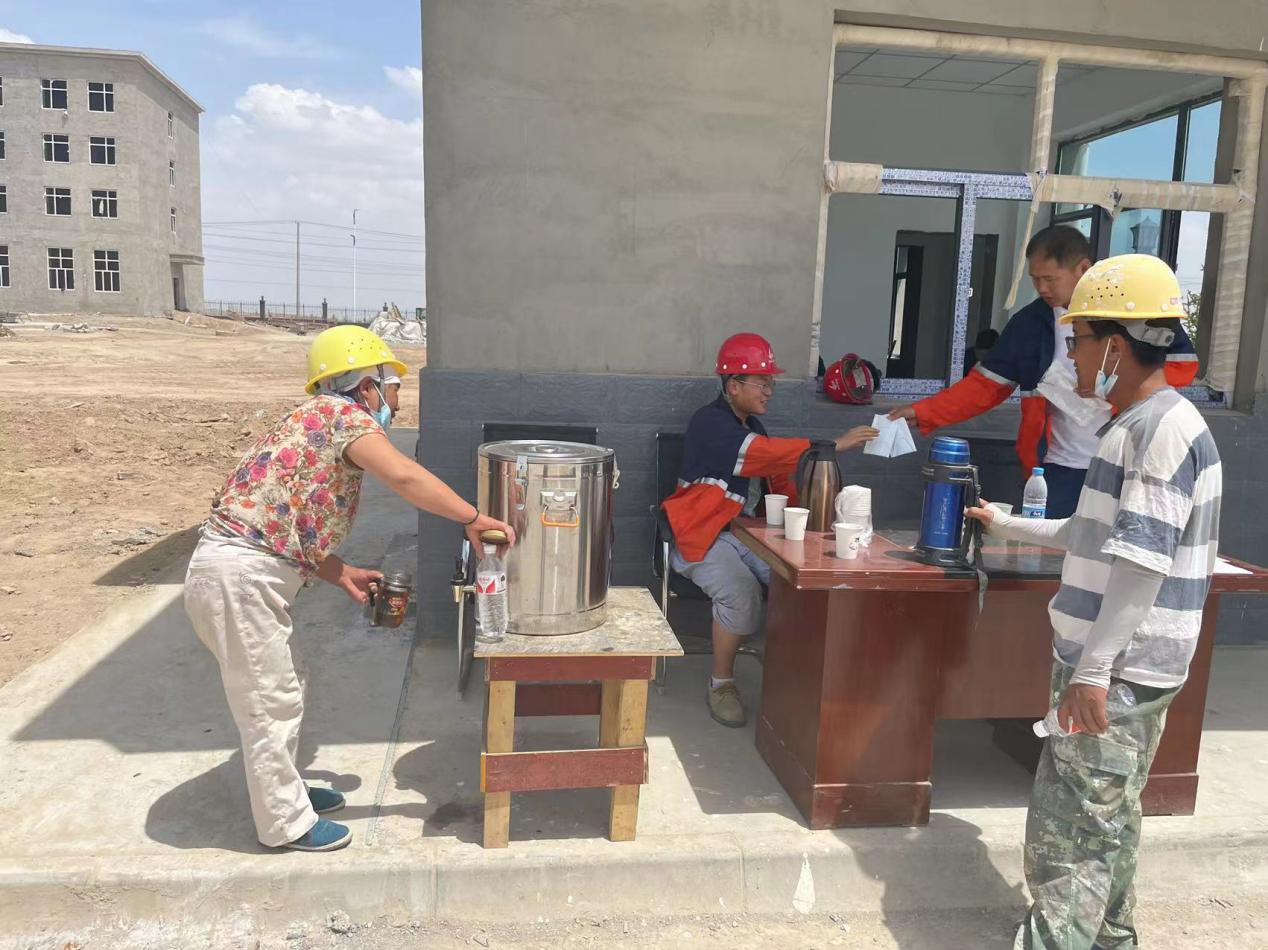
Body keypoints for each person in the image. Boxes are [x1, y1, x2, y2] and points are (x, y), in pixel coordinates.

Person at [964, 255, 1222, 950]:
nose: (1070, 356)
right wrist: (1007, 524)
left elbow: (1140, 563)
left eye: (1076, 340)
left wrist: (1093, 671)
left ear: (1115, 346)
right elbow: (1095, 534)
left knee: (1070, 836)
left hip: (1117, 673)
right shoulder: (1142, 424)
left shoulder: (1157, 432)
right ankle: (1112, 939)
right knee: (1108, 819)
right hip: (1123, 670)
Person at [183, 326, 515, 852]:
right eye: (393, 389)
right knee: (270, 701)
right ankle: (285, 823)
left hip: (242, 572)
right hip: (239, 578)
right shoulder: (344, 418)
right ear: (366, 386)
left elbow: (289, 520)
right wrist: (472, 518)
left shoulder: (309, 421)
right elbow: (405, 477)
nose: (397, 404)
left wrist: (341, 572)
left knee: (288, 684)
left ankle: (287, 792)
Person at [889, 226, 1199, 517]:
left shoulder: (1130, 310)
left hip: (1125, 462)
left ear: (1083, 268)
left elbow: (1183, 367)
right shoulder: (1029, 324)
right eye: (1035, 280)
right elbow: (984, 386)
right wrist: (923, 412)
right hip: (1055, 469)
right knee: (1046, 550)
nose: (1042, 288)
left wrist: (1111, 386)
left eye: (1050, 279)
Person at [661, 332, 877, 727]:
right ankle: (721, 683)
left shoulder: (753, 425)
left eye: (770, 383)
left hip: (747, 535)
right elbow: (762, 455)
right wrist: (830, 445)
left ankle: (796, 679)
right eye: (762, 382)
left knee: (797, 582)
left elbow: (777, 477)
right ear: (733, 385)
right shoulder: (710, 422)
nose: (769, 391)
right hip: (703, 537)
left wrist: (814, 521)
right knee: (741, 593)